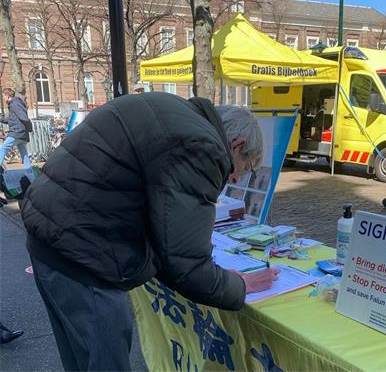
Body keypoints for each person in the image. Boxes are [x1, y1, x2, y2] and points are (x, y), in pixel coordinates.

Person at [21, 93, 280, 371]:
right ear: (237, 145)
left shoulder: (177, 113)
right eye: (246, 167)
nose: (237, 178)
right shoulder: (203, 145)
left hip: (52, 236)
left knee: (80, 361)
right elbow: (184, 263)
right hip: (87, 257)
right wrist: (240, 286)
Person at [0, 88, 32, 171]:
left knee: (3, 148)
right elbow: (11, 120)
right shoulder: (14, 104)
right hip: (22, 133)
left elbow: (24, 117)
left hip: (17, 132)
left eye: (3, 96)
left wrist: (28, 127)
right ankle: (30, 175)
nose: (3, 98)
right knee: (24, 155)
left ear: (7, 95)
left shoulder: (15, 104)